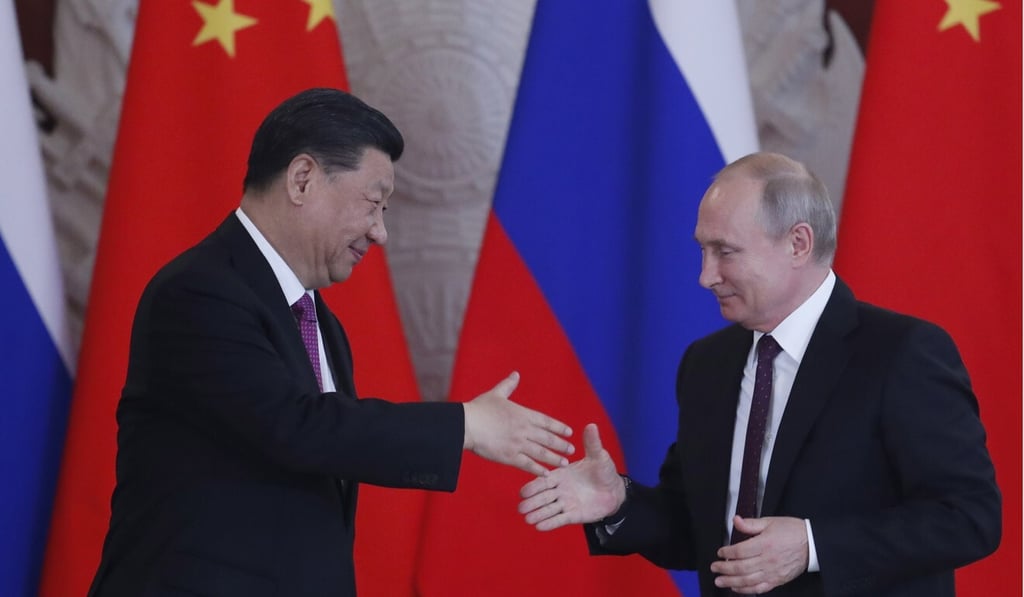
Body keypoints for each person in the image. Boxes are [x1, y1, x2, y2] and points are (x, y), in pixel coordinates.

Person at [87, 88, 575, 597]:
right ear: (302, 180)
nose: (380, 232)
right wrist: (465, 426)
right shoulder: (199, 291)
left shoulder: (321, 323)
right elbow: (296, 427)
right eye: (373, 203)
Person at [518, 152, 1001, 596]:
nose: (705, 276)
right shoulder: (706, 364)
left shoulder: (901, 353)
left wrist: (812, 546)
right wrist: (619, 503)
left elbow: (970, 517)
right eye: (702, 251)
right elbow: (697, 532)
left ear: (797, 243)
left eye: (725, 252)